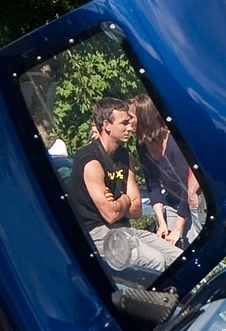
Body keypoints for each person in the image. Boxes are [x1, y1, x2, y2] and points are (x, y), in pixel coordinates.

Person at [68, 97, 179, 277]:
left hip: (124, 228)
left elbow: (137, 210)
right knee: (154, 260)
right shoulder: (90, 160)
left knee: (176, 257)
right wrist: (126, 199)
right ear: (107, 125)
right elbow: (110, 215)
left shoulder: (124, 157)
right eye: (124, 123)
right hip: (96, 232)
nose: (130, 127)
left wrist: (120, 203)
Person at [129, 93, 197, 245]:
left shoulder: (174, 143)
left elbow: (185, 187)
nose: (128, 122)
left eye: (131, 117)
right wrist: (162, 224)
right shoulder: (142, 145)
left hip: (192, 201)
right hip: (173, 201)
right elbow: (152, 185)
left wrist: (178, 229)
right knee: (168, 244)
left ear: (144, 118)